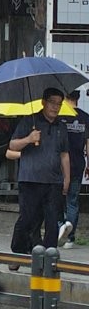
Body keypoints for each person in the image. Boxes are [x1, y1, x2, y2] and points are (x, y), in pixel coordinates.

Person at [9, 88, 70, 260]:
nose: (55, 107)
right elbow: (12, 146)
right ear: (43, 102)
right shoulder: (30, 121)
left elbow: (64, 155)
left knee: (52, 222)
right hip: (30, 180)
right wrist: (29, 139)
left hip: (53, 182)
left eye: (59, 103)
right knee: (28, 220)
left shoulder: (62, 126)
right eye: (52, 102)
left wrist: (67, 178)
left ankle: (48, 256)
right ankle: (18, 252)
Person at [58, 90, 89, 249]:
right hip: (78, 164)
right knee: (73, 201)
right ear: (78, 98)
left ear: (65, 97)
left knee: (57, 199)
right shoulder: (85, 117)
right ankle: (70, 238)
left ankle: (60, 228)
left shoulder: (60, 116)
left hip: (59, 164)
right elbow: (88, 144)